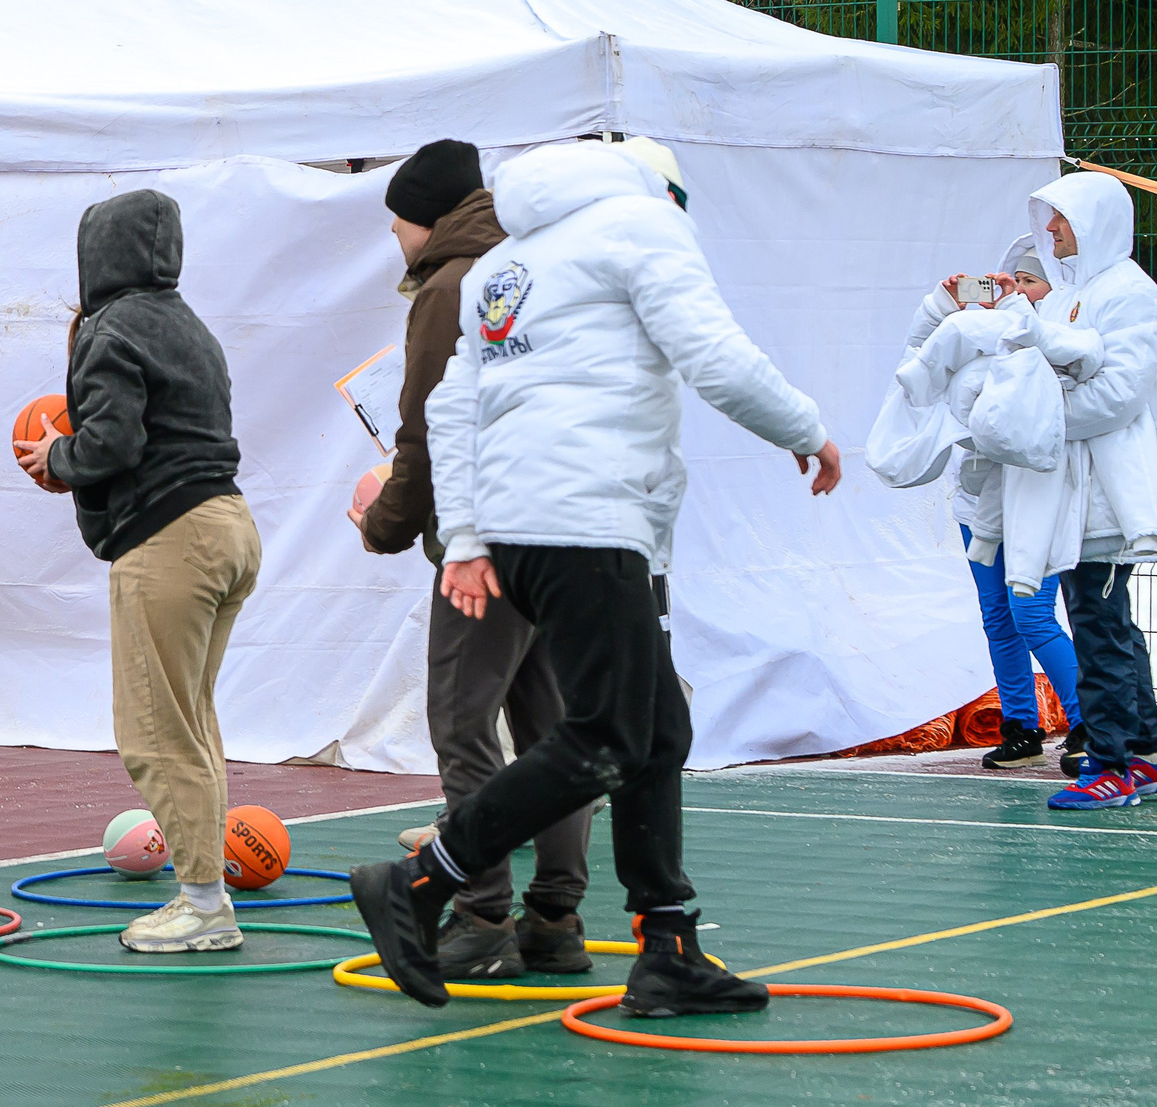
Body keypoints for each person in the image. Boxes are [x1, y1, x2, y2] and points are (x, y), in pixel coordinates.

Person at [349, 138, 841, 1014]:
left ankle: (669, 944)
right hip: (589, 517)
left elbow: (453, 404)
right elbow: (715, 355)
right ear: (663, 188)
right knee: (610, 733)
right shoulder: (643, 225)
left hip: (528, 528)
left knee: (658, 729)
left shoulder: (508, 262)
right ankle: (424, 879)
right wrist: (805, 427)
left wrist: (465, 533)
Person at [353, 139, 591, 980]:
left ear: (426, 217)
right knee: (554, 731)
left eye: (397, 225)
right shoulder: (533, 266)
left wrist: (383, 518)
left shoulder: (451, 286)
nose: (396, 239)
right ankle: (556, 917)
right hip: (558, 529)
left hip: (482, 539)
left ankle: (481, 910)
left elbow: (426, 430)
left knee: (462, 721)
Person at [15, 190, 259, 954]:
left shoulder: (111, 327)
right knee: (194, 723)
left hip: (169, 539)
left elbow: (112, 443)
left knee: (156, 734)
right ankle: (204, 889)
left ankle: (201, 903)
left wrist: (55, 455)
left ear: (96, 255)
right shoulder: (191, 325)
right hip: (230, 526)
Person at [909, 241, 1083, 772]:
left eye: (1030, 281)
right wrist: (939, 307)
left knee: (1032, 612)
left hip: (1036, 497)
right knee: (998, 618)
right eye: (1012, 281)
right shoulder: (974, 334)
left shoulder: (1059, 335)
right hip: (977, 501)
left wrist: (1019, 316)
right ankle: (1020, 727)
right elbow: (916, 363)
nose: (1016, 289)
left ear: (1053, 290)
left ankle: (1089, 722)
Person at [1021, 174, 1157, 809]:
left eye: (1062, 218)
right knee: (1110, 623)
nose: (1051, 230)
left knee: (1098, 626)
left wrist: (1037, 416)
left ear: (1095, 220)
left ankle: (1111, 762)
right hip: (1075, 491)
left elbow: (1120, 392)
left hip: (1104, 496)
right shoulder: (1070, 295)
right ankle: (1144, 750)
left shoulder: (1130, 293)